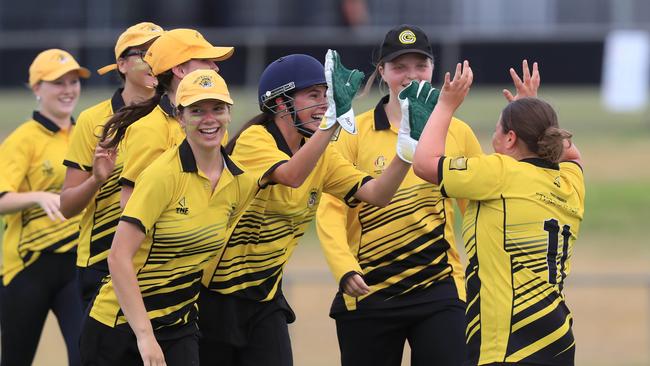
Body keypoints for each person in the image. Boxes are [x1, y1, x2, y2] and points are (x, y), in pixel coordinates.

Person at [197, 51, 413, 366]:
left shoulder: (320, 153)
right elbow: (292, 176)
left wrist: (407, 148)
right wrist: (331, 122)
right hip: (211, 299)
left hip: (265, 298)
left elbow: (379, 194)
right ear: (281, 104)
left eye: (327, 95)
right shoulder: (254, 140)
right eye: (313, 95)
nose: (325, 102)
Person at [315, 24, 483, 366]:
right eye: (399, 67)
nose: (411, 75)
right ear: (382, 71)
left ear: (433, 68)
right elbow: (330, 210)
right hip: (368, 289)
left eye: (420, 65)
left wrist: (488, 272)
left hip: (440, 287)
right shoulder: (354, 133)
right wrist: (344, 268)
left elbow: (479, 208)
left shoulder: (458, 132)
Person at [79, 69, 259, 366]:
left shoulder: (242, 183)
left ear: (229, 114)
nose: (209, 119)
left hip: (179, 326)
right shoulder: (161, 176)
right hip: (120, 328)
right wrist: (145, 336)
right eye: (197, 110)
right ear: (180, 116)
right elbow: (118, 258)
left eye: (217, 109)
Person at [412, 60, 584, 366]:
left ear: (510, 139)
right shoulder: (571, 183)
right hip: (558, 340)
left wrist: (445, 106)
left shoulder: (499, 172)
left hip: (509, 345)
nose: (493, 137)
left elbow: (425, 163)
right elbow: (572, 153)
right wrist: (533, 108)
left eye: (497, 130)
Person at [60, 21, 164, 311]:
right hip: (101, 263)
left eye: (162, 52)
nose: (155, 60)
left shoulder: (181, 117)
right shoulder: (92, 121)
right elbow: (67, 206)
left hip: (165, 263)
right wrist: (96, 179)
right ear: (121, 64)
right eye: (145, 53)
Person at [0, 48, 89, 366]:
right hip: (28, 268)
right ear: (37, 88)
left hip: (75, 267)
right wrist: (39, 196)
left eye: (73, 82)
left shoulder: (86, 134)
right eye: (57, 83)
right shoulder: (23, 139)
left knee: (84, 356)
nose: (68, 90)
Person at [99, 28, 232, 207]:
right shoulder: (149, 129)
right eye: (204, 60)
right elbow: (130, 203)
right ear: (179, 70)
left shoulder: (214, 126)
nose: (215, 67)